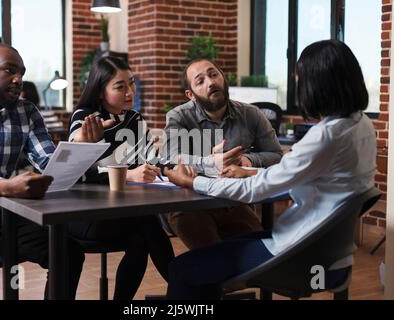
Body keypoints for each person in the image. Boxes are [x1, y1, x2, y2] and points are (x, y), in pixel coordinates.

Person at [164, 40, 376, 299]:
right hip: (334, 256)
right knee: (212, 257)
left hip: (299, 254)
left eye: (300, 78)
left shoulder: (325, 137)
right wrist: (251, 171)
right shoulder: (362, 124)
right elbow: (286, 174)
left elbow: (256, 189)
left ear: (317, 84)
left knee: (182, 270)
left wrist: (193, 182)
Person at [0, 43, 84, 300]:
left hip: (6, 215)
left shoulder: (27, 111)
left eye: (21, 72)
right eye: (9, 70)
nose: (18, 79)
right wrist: (5, 186)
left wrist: (80, 147)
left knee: (68, 252)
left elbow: (47, 160)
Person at [68, 56, 174, 300]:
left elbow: (154, 161)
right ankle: (184, 285)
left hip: (122, 213)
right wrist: (128, 174)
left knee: (140, 240)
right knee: (147, 223)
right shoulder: (86, 118)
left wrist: (174, 169)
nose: (130, 92)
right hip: (82, 214)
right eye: (120, 86)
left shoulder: (134, 119)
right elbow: (79, 173)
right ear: (100, 91)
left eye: (132, 83)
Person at [162, 58, 283, 250]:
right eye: (200, 81)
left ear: (223, 78)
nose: (211, 82)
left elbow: (276, 155)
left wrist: (246, 160)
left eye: (213, 74)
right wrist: (210, 162)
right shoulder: (180, 117)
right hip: (188, 203)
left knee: (256, 257)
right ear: (190, 94)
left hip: (233, 200)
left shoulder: (251, 114)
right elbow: (171, 160)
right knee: (214, 257)